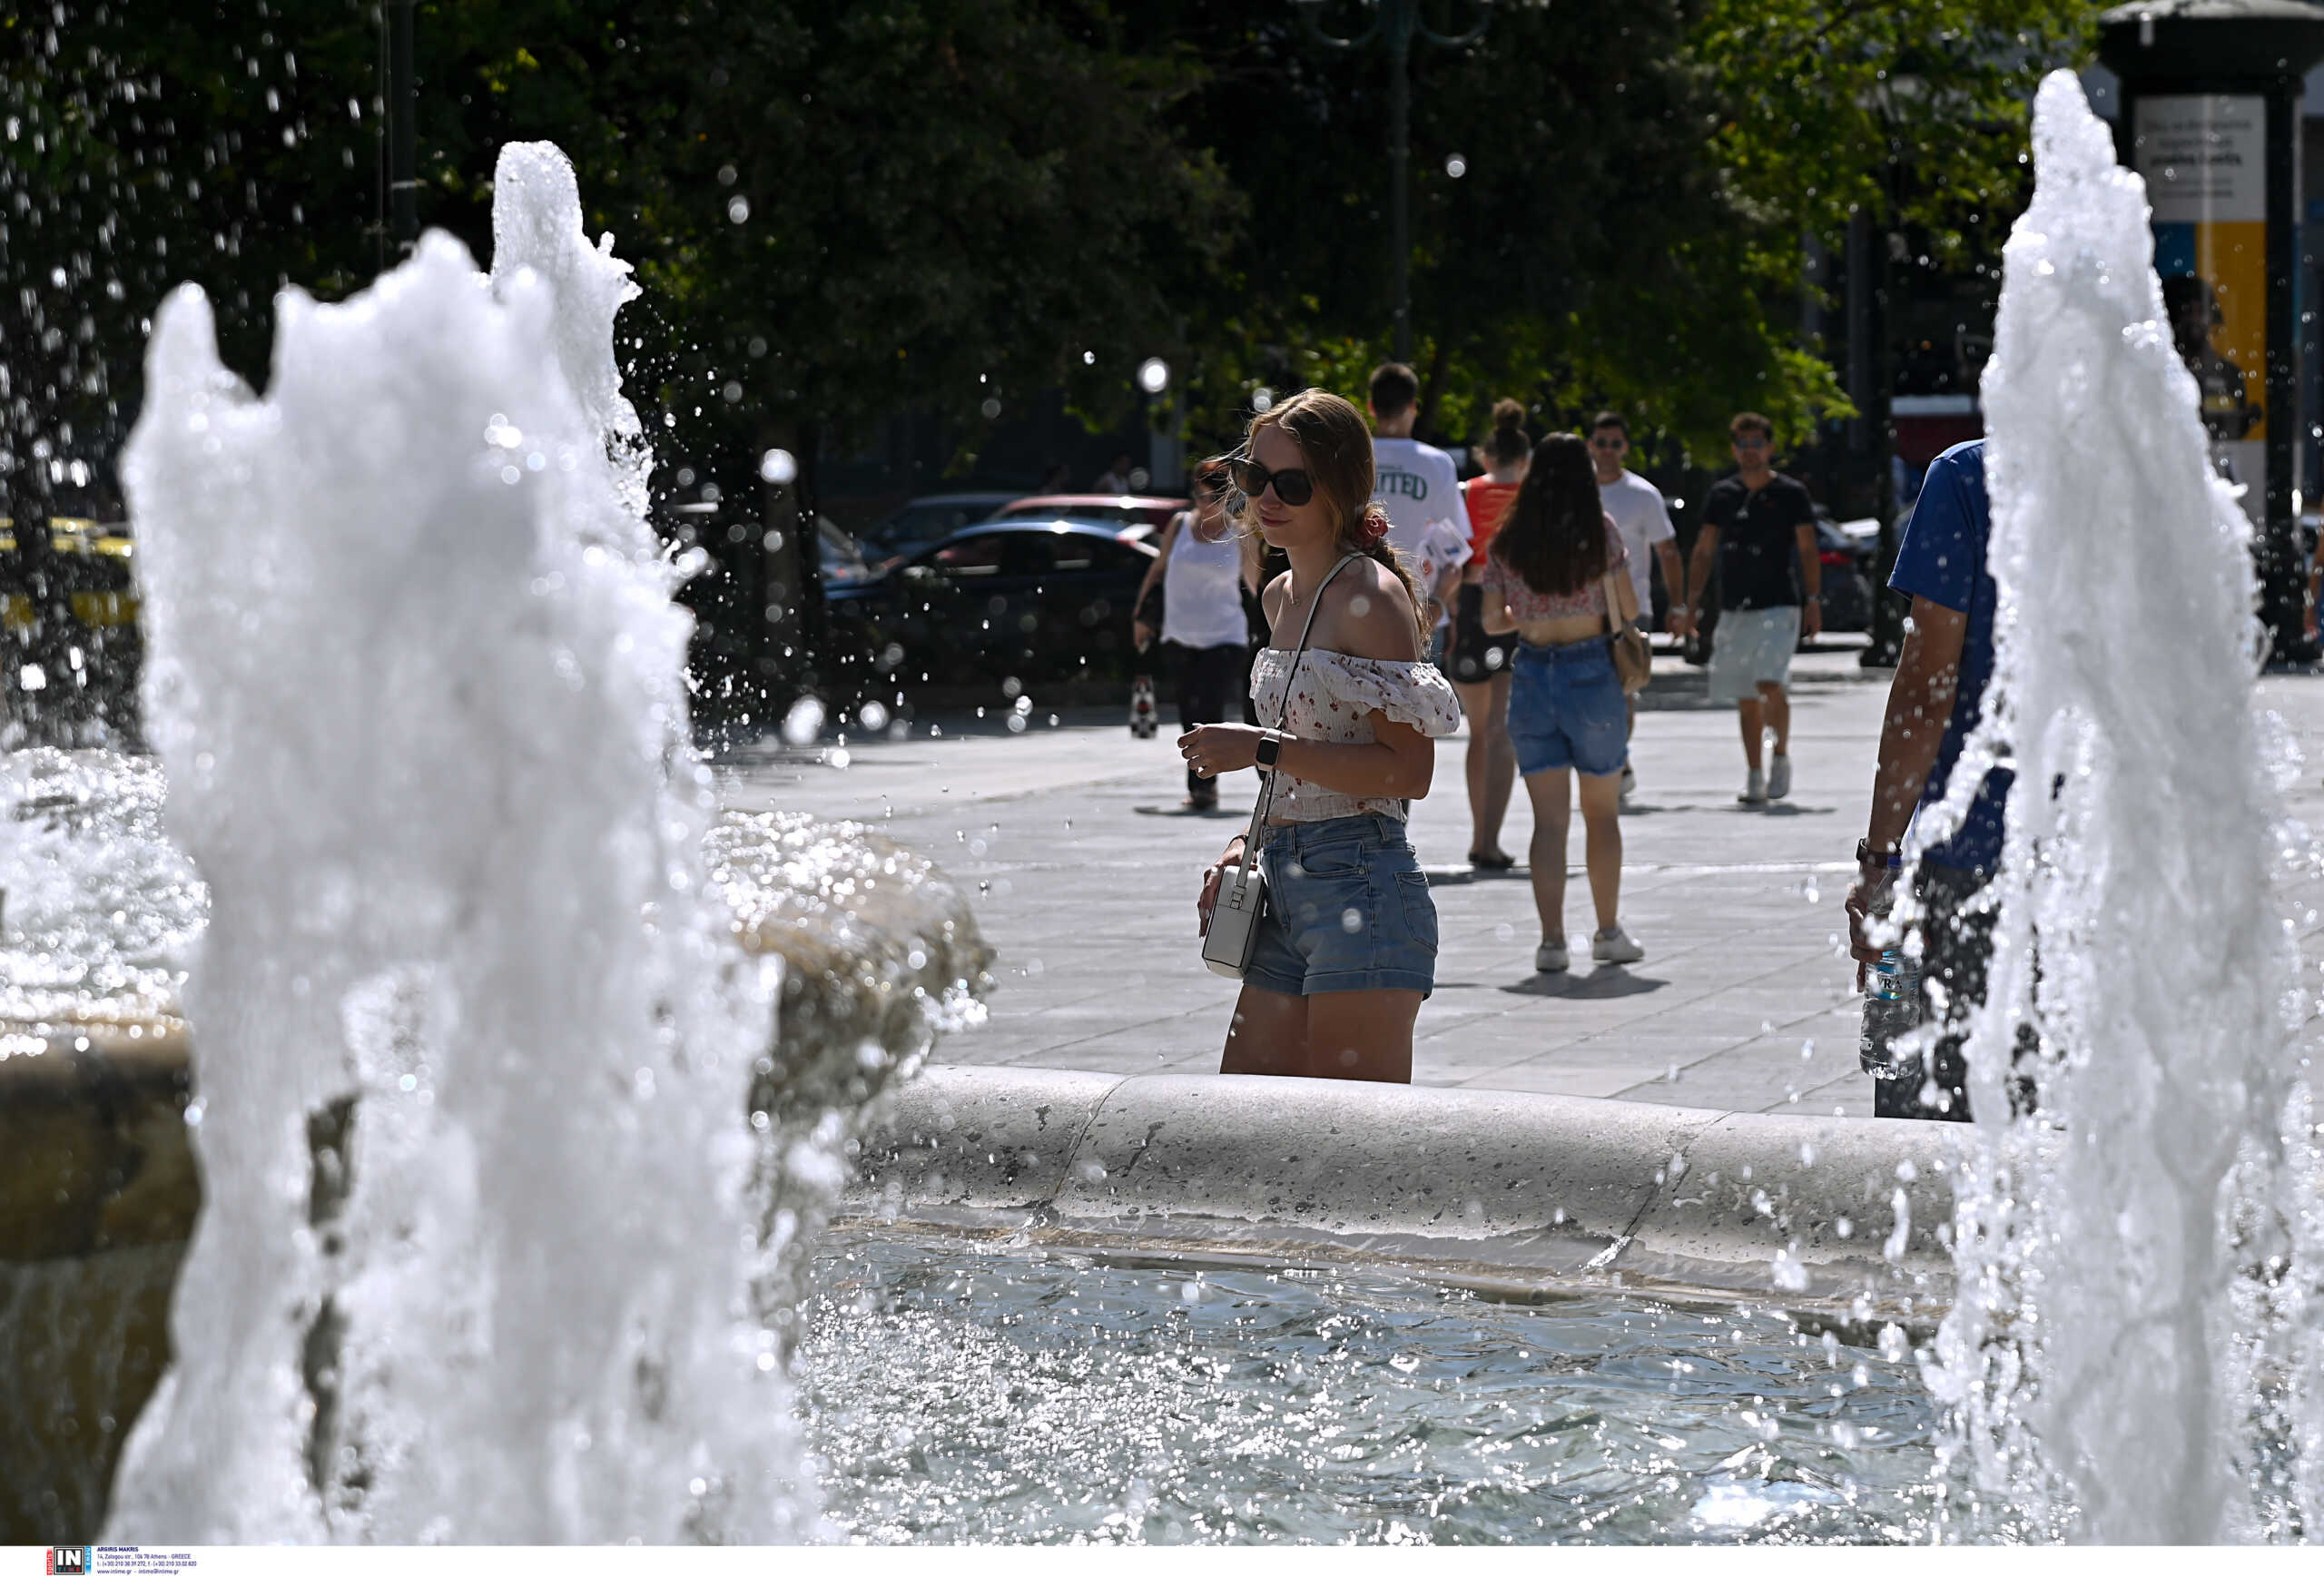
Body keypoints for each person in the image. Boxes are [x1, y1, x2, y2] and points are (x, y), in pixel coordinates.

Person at [1186, 389, 1462, 1083]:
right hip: (1283, 877)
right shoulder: (1279, 594)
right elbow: (1301, 763)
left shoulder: (1369, 595)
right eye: (1254, 478)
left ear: (1338, 487)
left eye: (1292, 484)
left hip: (1361, 886)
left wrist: (1258, 747)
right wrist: (1242, 841)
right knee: (1244, 1130)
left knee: (1353, 1159)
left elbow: (1408, 774)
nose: (1266, 498)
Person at [1844, 439, 2013, 1121]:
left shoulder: (1969, 475)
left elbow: (1926, 687)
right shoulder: (2160, 478)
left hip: (1966, 858)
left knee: (1928, 1134)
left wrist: (1880, 858)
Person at [1480, 433, 1646, 971]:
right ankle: (1607, 932)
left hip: (1531, 674)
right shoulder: (1599, 532)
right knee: (1602, 813)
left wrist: (1529, 613)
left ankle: (1551, 943)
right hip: (1592, 672)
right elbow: (1629, 606)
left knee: (1547, 823)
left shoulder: (1509, 539)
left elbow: (1490, 621)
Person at [1680, 412, 1821, 804]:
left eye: (1757, 443)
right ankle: (1755, 775)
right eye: (1743, 445)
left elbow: (1808, 549)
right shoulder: (1723, 495)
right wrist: (1691, 603)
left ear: (1770, 448)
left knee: (1768, 681)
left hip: (1781, 604)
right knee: (1745, 696)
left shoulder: (1791, 494)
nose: (1750, 452)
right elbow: (1704, 549)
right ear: (1734, 450)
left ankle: (1780, 757)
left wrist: (1813, 600)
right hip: (1734, 606)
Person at [1134, 458, 1262, 811]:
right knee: (1188, 714)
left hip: (1224, 636)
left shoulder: (1240, 536)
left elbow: (1254, 585)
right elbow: (1158, 570)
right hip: (1178, 634)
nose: (1205, 504)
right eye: (1199, 496)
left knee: (1209, 707)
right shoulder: (1178, 526)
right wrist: (1140, 615)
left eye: (1213, 497)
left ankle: (1204, 786)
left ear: (1227, 497)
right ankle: (1201, 782)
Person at [1447, 399, 1528, 868]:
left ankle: (1480, 836)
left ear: (1485, 455)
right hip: (1516, 609)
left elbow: (1454, 552)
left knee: (1479, 733)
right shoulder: (1533, 493)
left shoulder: (1467, 491)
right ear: (1525, 458)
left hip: (1475, 606)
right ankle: (1489, 841)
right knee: (1502, 732)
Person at [1588, 412, 1681, 800]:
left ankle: (1618, 760)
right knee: (1593, 690)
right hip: (1583, 609)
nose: (1607, 450)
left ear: (1625, 448)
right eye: (1601, 442)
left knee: (1622, 690)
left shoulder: (1643, 494)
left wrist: (1678, 605)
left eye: (1615, 443)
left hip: (1631, 608)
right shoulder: (1577, 491)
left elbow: (1668, 551)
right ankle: (1604, 760)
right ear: (1590, 445)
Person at [1365, 362, 1472, 652]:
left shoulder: (1350, 457)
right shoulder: (1437, 463)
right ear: (1413, 406)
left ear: (1371, 407)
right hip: (1420, 606)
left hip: (1356, 601)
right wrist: (1449, 608)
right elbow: (1453, 545)